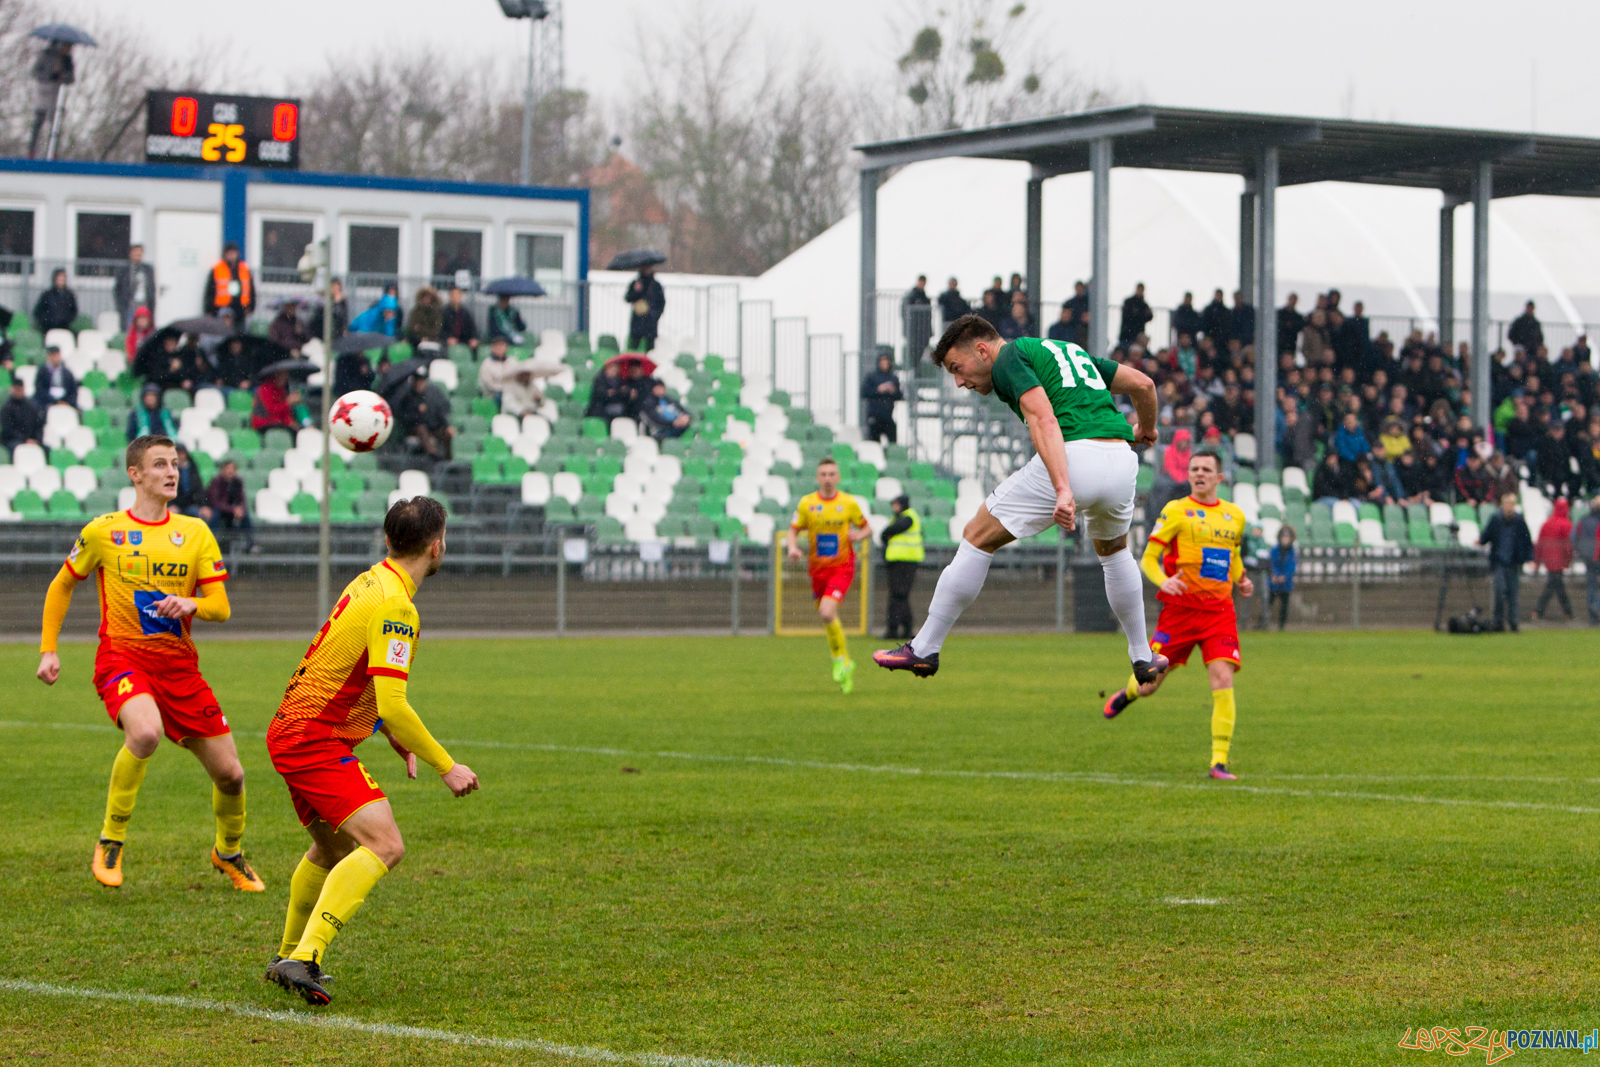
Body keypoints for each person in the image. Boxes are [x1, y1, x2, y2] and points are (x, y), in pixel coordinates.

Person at [264, 497, 479, 1005]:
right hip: (314, 738)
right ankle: (305, 956)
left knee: (334, 849)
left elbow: (350, 672)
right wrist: (446, 767)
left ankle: (286, 956)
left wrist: (384, 730)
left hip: (293, 730)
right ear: (437, 545)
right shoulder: (396, 606)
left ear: (387, 541)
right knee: (385, 845)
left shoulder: (369, 580)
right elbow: (395, 702)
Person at [874, 316, 1163, 689]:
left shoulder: (1008, 357)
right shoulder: (1065, 351)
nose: (960, 381)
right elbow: (1144, 384)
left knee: (978, 534)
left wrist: (1063, 489)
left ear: (982, 350)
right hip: (1121, 462)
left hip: (1074, 458)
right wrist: (1148, 428)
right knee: (1114, 553)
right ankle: (1142, 655)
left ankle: (925, 647)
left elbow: (1043, 418)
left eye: (957, 368)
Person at [35, 434, 263, 892]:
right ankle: (111, 840)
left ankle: (229, 852)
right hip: (122, 658)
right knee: (144, 733)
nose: (171, 472)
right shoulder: (105, 531)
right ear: (135, 474)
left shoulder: (196, 532)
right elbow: (62, 585)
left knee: (232, 775)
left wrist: (192, 603)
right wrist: (48, 648)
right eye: (159, 464)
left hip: (180, 670)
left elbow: (221, 606)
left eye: (174, 464)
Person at [1101, 448, 1252, 780]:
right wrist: (1164, 582)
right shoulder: (1176, 511)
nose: (1199, 474)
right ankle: (1127, 694)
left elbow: (1233, 555)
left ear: (1219, 478)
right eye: (1194, 469)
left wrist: (1241, 578)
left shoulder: (1235, 516)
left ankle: (1219, 761)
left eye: (1206, 470)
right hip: (1180, 612)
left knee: (1223, 678)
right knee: (1149, 683)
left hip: (1219, 612)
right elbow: (1148, 558)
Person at [788, 457, 871, 694]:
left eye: (831, 474)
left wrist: (859, 535)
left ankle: (838, 658)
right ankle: (845, 660)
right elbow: (793, 530)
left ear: (838, 477)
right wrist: (792, 548)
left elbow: (867, 527)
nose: (827, 478)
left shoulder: (848, 503)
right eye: (823, 474)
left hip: (842, 567)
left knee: (826, 612)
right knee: (828, 617)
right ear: (817, 478)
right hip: (817, 569)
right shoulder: (807, 503)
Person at [1478, 491, 1533, 632]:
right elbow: (1486, 536)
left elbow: (1527, 542)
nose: (1508, 507)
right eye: (1506, 504)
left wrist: (1530, 558)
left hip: (1513, 562)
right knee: (1499, 592)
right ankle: (1498, 623)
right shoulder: (1496, 520)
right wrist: (1480, 540)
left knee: (1513, 594)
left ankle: (1514, 623)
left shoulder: (1520, 522)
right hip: (1498, 562)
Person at [477, 335, 554, 418]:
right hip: (494, 394)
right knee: (505, 398)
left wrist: (538, 398)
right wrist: (506, 387)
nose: (500, 348)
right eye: (497, 346)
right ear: (492, 348)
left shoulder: (512, 361)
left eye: (502, 346)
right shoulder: (487, 364)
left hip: (513, 390)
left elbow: (517, 375)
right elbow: (489, 384)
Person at [879, 494, 922, 640]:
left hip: (906, 561)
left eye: (897, 504)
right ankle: (906, 630)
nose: (894, 507)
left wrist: (886, 533)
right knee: (900, 596)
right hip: (897, 561)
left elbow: (888, 531)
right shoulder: (900, 518)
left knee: (898, 595)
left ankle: (895, 629)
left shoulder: (908, 517)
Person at [394, 369, 454, 460]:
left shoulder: (431, 396)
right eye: (418, 381)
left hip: (432, 426)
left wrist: (446, 426)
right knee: (421, 428)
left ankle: (449, 458)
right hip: (415, 428)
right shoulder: (408, 398)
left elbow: (439, 412)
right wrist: (417, 412)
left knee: (446, 434)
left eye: (422, 381)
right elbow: (404, 418)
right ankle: (433, 454)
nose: (420, 384)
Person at [28, 39, 73, 159]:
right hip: (43, 92)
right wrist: (49, 76)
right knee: (38, 122)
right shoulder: (45, 55)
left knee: (55, 124)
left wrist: (63, 76)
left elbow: (70, 78)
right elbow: (36, 72)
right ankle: (32, 151)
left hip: (57, 95)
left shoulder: (67, 60)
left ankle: (53, 151)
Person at [1534, 497, 1574, 620]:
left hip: (1549, 560)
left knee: (1554, 585)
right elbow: (1568, 546)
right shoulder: (1566, 524)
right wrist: (1568, 560)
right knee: (1555, 587)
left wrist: (1538, 560)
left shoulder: (1547, 524)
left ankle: (1540, 611)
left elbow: (1540, 543)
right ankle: (1567, 612)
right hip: (1559, 561)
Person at [206, 459, 254, 551]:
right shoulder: (216, 481)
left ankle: (251, 544)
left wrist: (240, 509)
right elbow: (215, 502)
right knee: (215, 514)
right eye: (228, 468)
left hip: (232, 511)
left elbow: (242, 499)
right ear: (222, 470)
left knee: (245, 514)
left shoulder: (238, 482)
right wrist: (233, 509)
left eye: (233, 469)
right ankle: (211, 543)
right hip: (221, 510)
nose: (230, 471)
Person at [203, 242, 254, 329]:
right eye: (229, 253)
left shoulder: (244, 269)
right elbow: (210, 291)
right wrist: (209, 310)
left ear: (237, 254)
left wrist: (251, 307)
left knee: (239, 335)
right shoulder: (217, 269)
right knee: (222, 333)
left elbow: (251, 290)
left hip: (240, 309)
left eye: (233, 253)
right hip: (221, 310)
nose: (231, 256)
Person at [860, 352, 903, 444]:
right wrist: (878, 390)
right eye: (882, 360)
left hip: (888, 417)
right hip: (875, 417)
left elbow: (899, 395)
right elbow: (864, 393)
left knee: (892, 442)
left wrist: (893, 391)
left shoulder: (893, 378)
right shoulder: (871, 376)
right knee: (874, 444)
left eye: (886, 361)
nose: (885, 363)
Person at [113, 244, 156, 329]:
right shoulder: (124, 270)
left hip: (144, 307)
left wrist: (152, 306)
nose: (137, 255)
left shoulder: (148, 269)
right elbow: (117, 289)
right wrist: (120, 306)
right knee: (129, 330)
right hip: (130, 306)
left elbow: (152, 288)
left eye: (139, 253)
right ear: (130, 254)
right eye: (135, 253)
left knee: (145, 331)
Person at [1573, 495, 1600, 625]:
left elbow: (1574, 537)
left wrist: (1581, 552)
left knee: (1591, 587)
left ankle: (1592, 617)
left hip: (1588, 558)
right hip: (1596, 557)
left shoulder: (1583, 521)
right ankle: (1596, 607)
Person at [625, 266, 665, 352]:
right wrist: (636, 291)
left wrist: (655, 315)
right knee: (634, 348)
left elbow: (661, 303)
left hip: (650, 321)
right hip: (637, 321)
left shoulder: (656, 285)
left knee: (650, 351)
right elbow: (628, 298)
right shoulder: (636, 283)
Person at [253, 370, 304, 435]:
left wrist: (290, 422)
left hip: (278, 424)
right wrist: (288, 401)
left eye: (285, 377)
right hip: (263, 423)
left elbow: (285, 413)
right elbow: (271, 410)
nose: (284, 379)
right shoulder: (265, 388)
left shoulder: (282, 391)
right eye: (281, 376)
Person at [1267, 524, 1297, 631]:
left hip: (1285, 583)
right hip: (1274, 583)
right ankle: (1263, 623)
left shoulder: (1293, 552)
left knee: (1284, 606)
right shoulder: (1274, 550)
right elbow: (1272, 564)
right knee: (1268, 604)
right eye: (1283, 537)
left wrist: (1284, 576)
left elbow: (1292, 566)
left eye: (1287, 538)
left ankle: (1281, 626)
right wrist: (1275, 575)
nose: (1285, 540)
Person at [3, 375, 44, 450]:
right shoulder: (7, 407)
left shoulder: (31, 406)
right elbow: (8, 430)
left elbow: (38, 425)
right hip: (14, 440)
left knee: (46, 449)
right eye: (16, 388)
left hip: (31, 440)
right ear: (12, 389)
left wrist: (36, 440)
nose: (19, 390)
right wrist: (25, 440)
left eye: (20, 388)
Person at [32, 343, 77, 410]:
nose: (56, 358)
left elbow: (73, 391)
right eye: (53, 355)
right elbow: (40, 390)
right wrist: (54, 401)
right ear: (49, 356)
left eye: (57, 355)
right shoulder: (42, 371)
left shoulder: (67, 373)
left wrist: (66, 402)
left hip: (65, 400)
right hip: (47, 401)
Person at [33, 267, 77, 333]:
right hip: (48, 328)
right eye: (59, 279)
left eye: (62, 279)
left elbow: (73, 311)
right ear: (55, 279)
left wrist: (65, 320)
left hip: (64, 327)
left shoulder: (69, 295)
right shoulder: (47, 295)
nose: (60, 281)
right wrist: (47, 321)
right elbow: (38, 311)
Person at [171, 444, 206, 515]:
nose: (181, 456)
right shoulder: (171, 470)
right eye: (178, 454)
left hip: (192, 504)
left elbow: (199, 489)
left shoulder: (193, 469)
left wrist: (203, 506)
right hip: (176, 504)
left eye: (182, 453)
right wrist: (170, 505)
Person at [902, 275, 932, 359]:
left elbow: (928, 315)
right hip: (914, 329)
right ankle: (915, 369)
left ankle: (916, 369)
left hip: (922, 330)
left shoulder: (924, 297)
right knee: (914, 351)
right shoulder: (911, 296)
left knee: (920, 352)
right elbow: (904, 312)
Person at [440, 286, 478, 351]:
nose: (456, 297)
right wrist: (447, 338)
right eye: (453, 295)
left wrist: (473, 338)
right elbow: (440, 330)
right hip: (447, 343)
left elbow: (472, 328)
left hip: (464, 342)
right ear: (450, 297)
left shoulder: (466, 313)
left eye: (458, 294)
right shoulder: (444, 312)